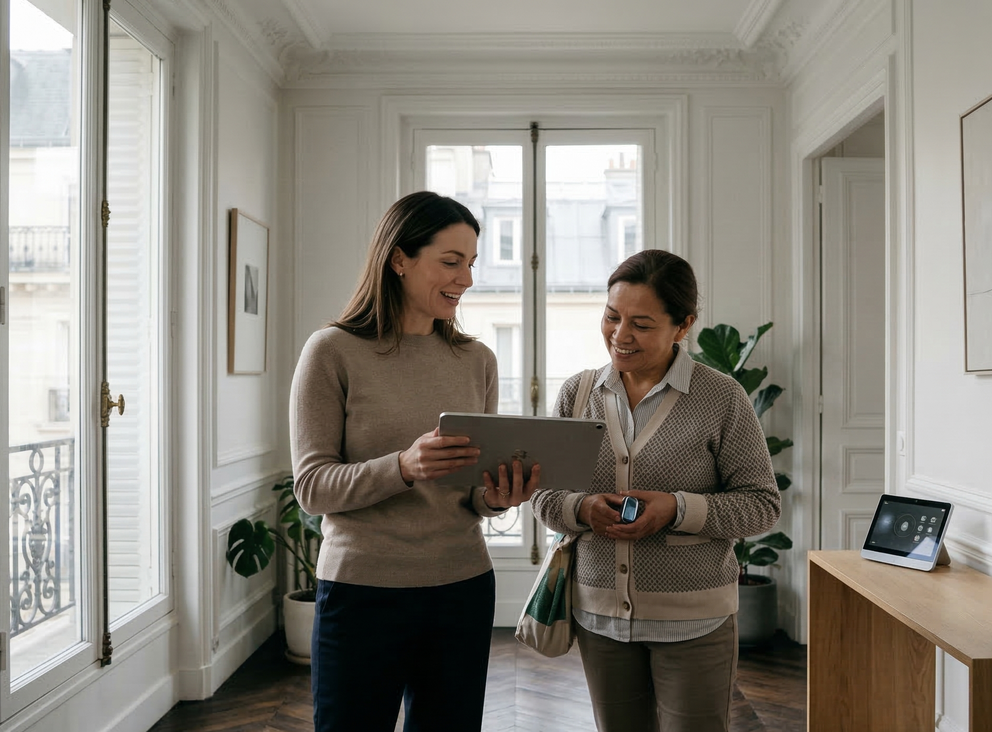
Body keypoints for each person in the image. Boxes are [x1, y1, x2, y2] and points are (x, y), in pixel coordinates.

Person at [290, 191, 540, 731]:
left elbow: (472, 492)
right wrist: (404, 466)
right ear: (398, 258)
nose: (466, 279)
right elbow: (312, 487)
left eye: (471, 263)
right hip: (362, 594)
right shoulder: (331, 352)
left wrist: (495, 496)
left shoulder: (477, 360)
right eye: (450, 262)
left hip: (462, 589)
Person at [530, 249, 781, 732]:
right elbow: (544, 497)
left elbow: (761, 505)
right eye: (611, 316)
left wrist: (676, 509)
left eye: (641, 324)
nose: (620, 336)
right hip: (598, 617)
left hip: (694, 621)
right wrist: (581, 508)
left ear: (682, 326)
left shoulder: (721, 397)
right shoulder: (577, 394)